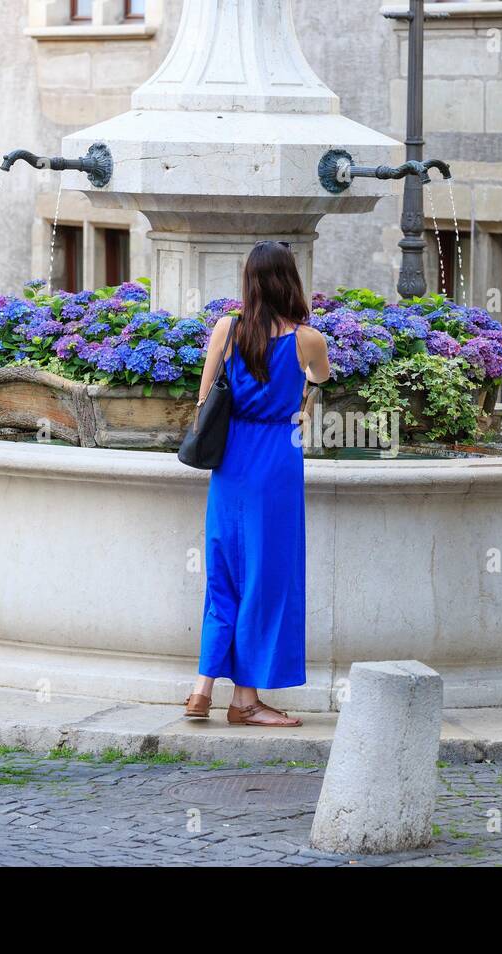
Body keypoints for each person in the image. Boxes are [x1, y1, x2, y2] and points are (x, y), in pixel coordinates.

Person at [183, 241, 331, 727]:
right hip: (276, 460)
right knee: (265, 580)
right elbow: (321, 378)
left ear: (249, 280)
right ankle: (246, 700)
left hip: (230, 461)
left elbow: (205, 395)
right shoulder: (308, 339)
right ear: (291, 280)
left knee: (224, 573)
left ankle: (204, 688)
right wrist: (302, 402)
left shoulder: (226, 329)